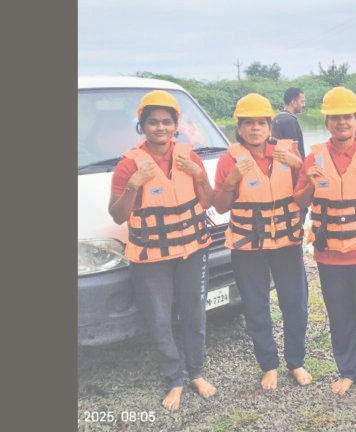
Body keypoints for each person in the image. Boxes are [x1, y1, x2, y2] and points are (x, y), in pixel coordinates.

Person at [107, 90, 217, 411]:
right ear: (142, 126)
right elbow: (117, 215)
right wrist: (133, 185)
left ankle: (196, 373)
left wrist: (199, 175)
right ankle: (174, 379)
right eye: (153, 122)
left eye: (167, 122)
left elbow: (208, 201)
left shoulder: (190, 158)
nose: (160, 127)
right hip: (150, 259)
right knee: (158, 319)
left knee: (194, 314)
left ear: (175, 126)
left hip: (191, 251)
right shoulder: (128, 166)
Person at [293, 87, 356, 397]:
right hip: (330, 252)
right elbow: (299, 202)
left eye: (347, 116)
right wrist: (311, 183)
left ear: (355, 119)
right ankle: (347, 370)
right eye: (334, 117)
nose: (341, 122)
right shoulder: (314, 158)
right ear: (326, 122)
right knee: (339, 313)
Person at [211, 93, 311, 391]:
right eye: (248, 123)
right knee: (256, 305)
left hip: (286, 242)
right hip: (248, 246)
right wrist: (232, 180)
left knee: (295, 303)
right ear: (239, 128)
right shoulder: (228, 160)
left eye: (261, 123)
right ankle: (268, 365)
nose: (255, 128)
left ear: (270, 126)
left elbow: (307, 193)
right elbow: (220, 207)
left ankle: (296, 361)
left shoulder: (287, 153)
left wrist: (298, 165)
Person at [272, 87, 306, 158]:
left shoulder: (276, 118)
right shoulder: (290, 121)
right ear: (293, 102)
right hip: (291, 163)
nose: (304, 105)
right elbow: (294, 150)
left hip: (278, 162)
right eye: (302, 102)